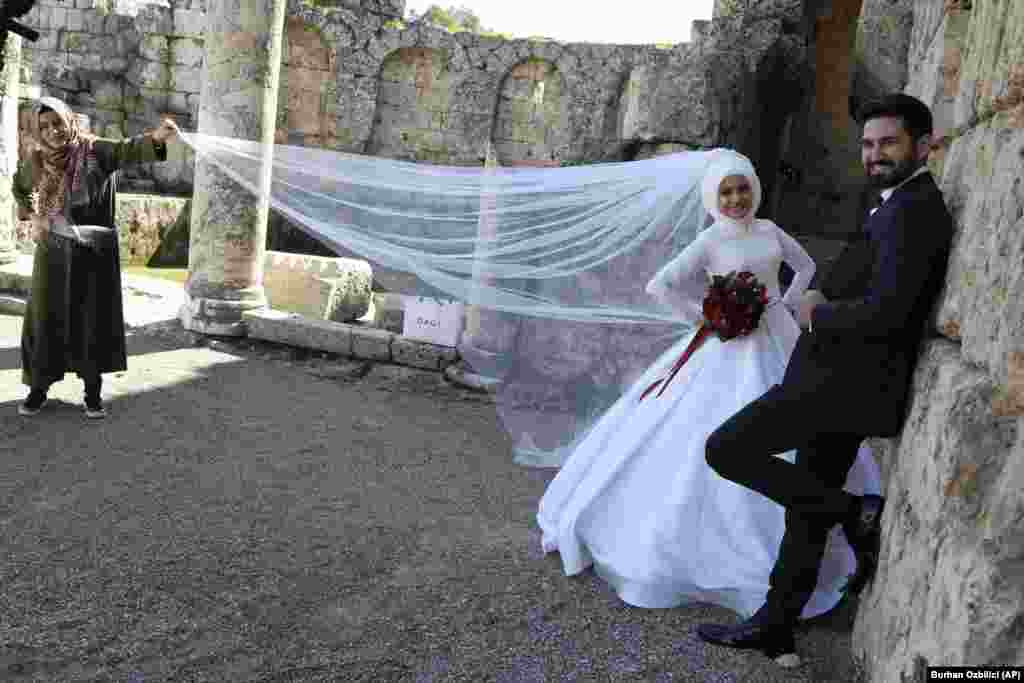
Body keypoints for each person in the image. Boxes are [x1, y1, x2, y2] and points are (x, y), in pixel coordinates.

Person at [536, 150, 881, 627]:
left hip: (776, 337)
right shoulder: (711, 239)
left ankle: (804, 543)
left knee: (790, 417)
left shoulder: (770, 231)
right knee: (701, 432)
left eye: (742, 189)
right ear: (713, 198)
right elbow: (661, 284)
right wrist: (708, 316)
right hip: (726, 346)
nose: (736, 198)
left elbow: (804, 267)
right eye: (726, 191)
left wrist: (787, 299)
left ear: (754, 190)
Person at [696, 94, 953, 666]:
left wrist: (817, 311)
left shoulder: (915, 210)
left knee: (727, 448)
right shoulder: (893, 202)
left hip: (840, 385)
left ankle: (854, 513)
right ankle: (776, 624)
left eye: (888, 142)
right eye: (867, 144)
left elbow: (891, 312)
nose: (874, 154)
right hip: (836, 379)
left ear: (923, 143)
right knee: (802, 508)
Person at [14, 96, 180, 419]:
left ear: (69, 121)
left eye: (57, 123)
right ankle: (38, 387)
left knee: (89, 320)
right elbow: (20, 189)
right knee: (45, 319)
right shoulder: (35, 161)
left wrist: (156, 139)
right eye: (44, 126)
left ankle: (92, 392)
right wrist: (33, 215)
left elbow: (124, 151)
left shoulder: (93, 151)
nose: (52, 132)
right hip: (52, 254)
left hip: (91, 254)